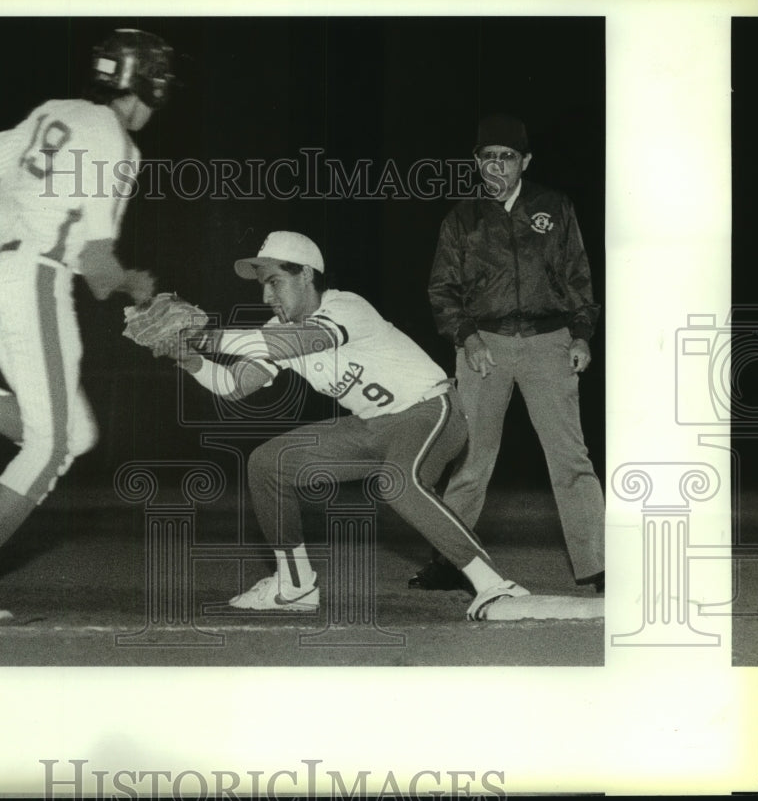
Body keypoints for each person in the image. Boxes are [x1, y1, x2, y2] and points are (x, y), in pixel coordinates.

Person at [0, 29, 174, 624]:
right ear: (145, 81)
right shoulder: (119, 145)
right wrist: (138, 286)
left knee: (75, 435)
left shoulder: (55, 111)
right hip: (39, 284)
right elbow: (97, 267)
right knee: (49, 449)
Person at [168, 230, 530, 620]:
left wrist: (206, 337)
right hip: (372, 427)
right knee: (268, 462)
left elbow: (297, 344)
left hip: (431, 411)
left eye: (274, 282)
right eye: (263, 286)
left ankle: (496, 586)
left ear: (306, 274)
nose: (266, 297)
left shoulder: (346, 307)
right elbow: (234, 385)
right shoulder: (275, 331)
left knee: (398, 480)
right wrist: (191, 360)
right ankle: (295, 586)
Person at [410, 113, 605, 593]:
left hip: (548, 341)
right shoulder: (462, 217)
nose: (497, 165)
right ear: (477, 162)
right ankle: (452, 561)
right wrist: (467, 338)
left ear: (525, 161)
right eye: (488, 157)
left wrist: (581, 334)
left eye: (508, 157)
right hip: (485, 345)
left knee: (570, 458)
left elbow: (578, 276)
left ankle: (597, 563)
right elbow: (442, 289)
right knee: (472, 457)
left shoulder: (554, 207)